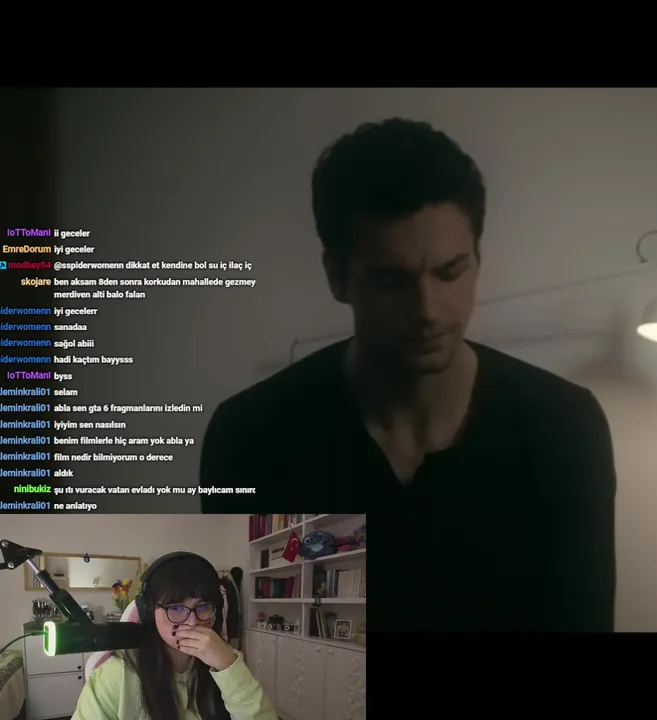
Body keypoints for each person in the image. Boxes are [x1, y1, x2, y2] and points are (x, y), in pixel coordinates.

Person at [199, 118, 617, 631]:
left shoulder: (565, 426)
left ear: (478, 259)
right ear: (337, 276)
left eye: (450, 271)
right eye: (391, 281)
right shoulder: (250, 436)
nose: (428, 311)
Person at [72, 553, 276, 720]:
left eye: (203, 607)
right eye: (176, 608)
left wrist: (227, 667)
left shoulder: (226, 659)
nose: (192, 622)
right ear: (150, 612)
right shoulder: (117, 674)